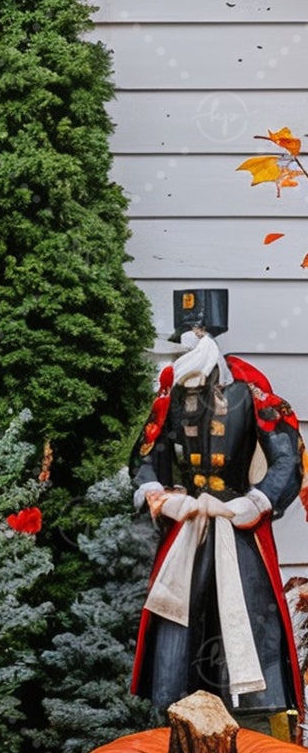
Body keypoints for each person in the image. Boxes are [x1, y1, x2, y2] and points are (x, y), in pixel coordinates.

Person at [132, 287, 303, 724]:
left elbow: (287, 455)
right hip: (186, 530)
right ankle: (179, 717)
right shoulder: (169, 395)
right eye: (186, 333)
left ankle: (247, 724)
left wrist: (257, 501)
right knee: (178, 628)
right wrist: (161, 499)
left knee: (244, 619)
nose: (191, 338)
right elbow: (145, 459)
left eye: (199, 331)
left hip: (236, 529)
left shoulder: (250, 391)